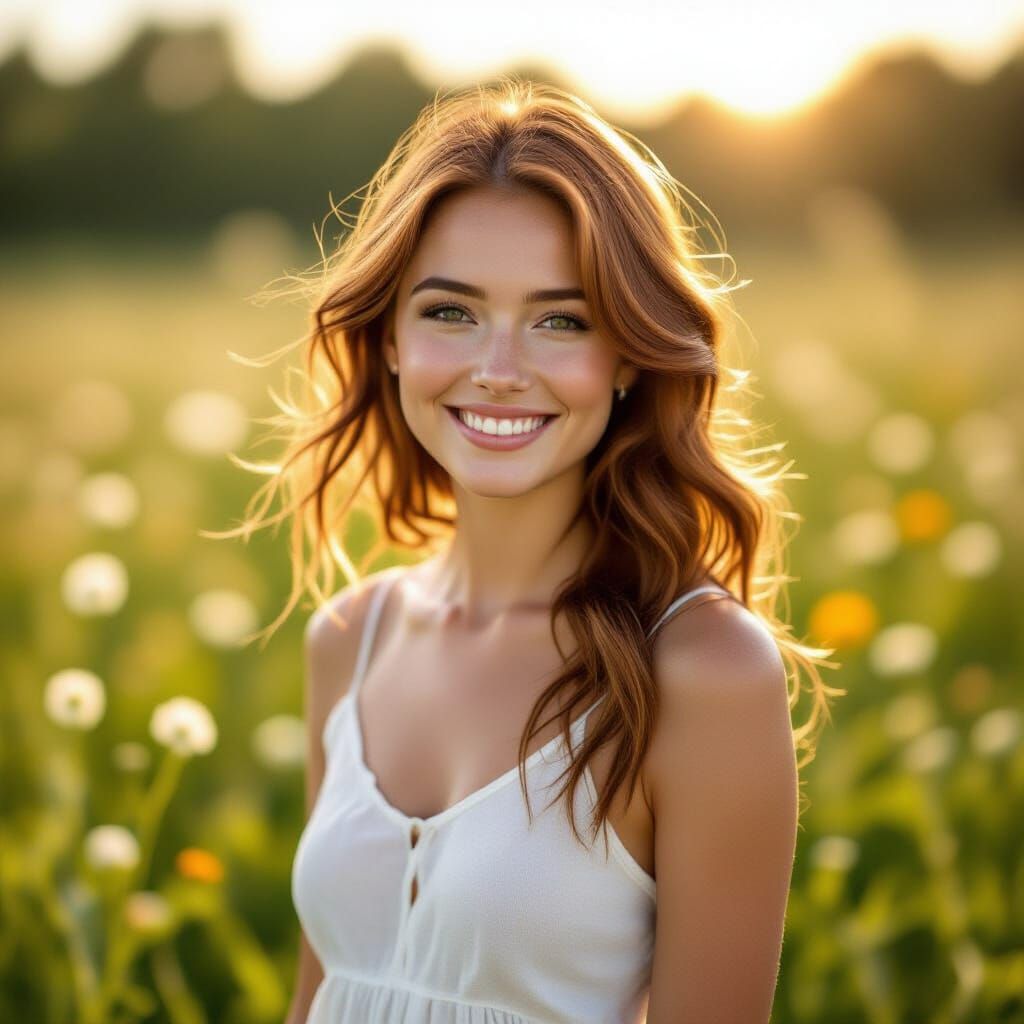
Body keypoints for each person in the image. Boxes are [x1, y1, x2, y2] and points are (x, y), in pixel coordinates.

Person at [230, 76, 839, 1023]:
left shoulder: (704, 670)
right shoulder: (351, 638)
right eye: (449, 311)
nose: (500, 370)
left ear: (632, 352)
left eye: (563, 320)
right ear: (390, 338)